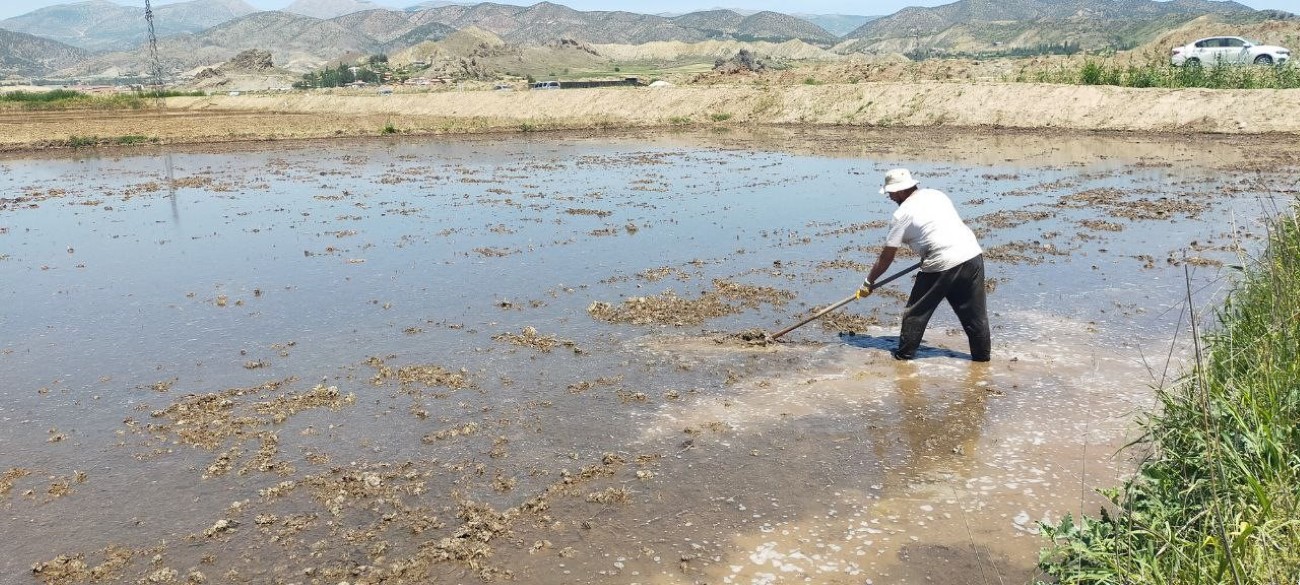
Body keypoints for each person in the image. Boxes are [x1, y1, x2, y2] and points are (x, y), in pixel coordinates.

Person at [860, 168, 990, 362]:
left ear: (902, 190)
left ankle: (903, 360)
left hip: (941, 262)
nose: (889, 196)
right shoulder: (936, 195)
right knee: (975, 317)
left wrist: (868, 282)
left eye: (891, 192)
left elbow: (886, 258)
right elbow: (939, 227)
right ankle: (982, 362)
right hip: (971, 255)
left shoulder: (901, 215)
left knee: (915, 313)